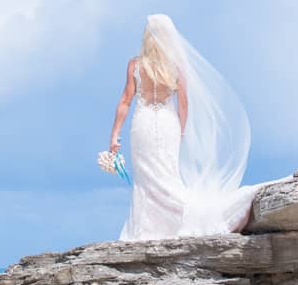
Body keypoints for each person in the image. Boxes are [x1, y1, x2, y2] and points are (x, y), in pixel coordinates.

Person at [109, 13, 260, 241]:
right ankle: (173, 224)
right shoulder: (176, 66)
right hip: (168, 124)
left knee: (147, 177)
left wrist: (115, 136)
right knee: (168, 174)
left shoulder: (135, 65)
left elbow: (124, 102)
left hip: (143, 124)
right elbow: (184, 104)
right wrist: (180, 130)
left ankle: (144, 229)